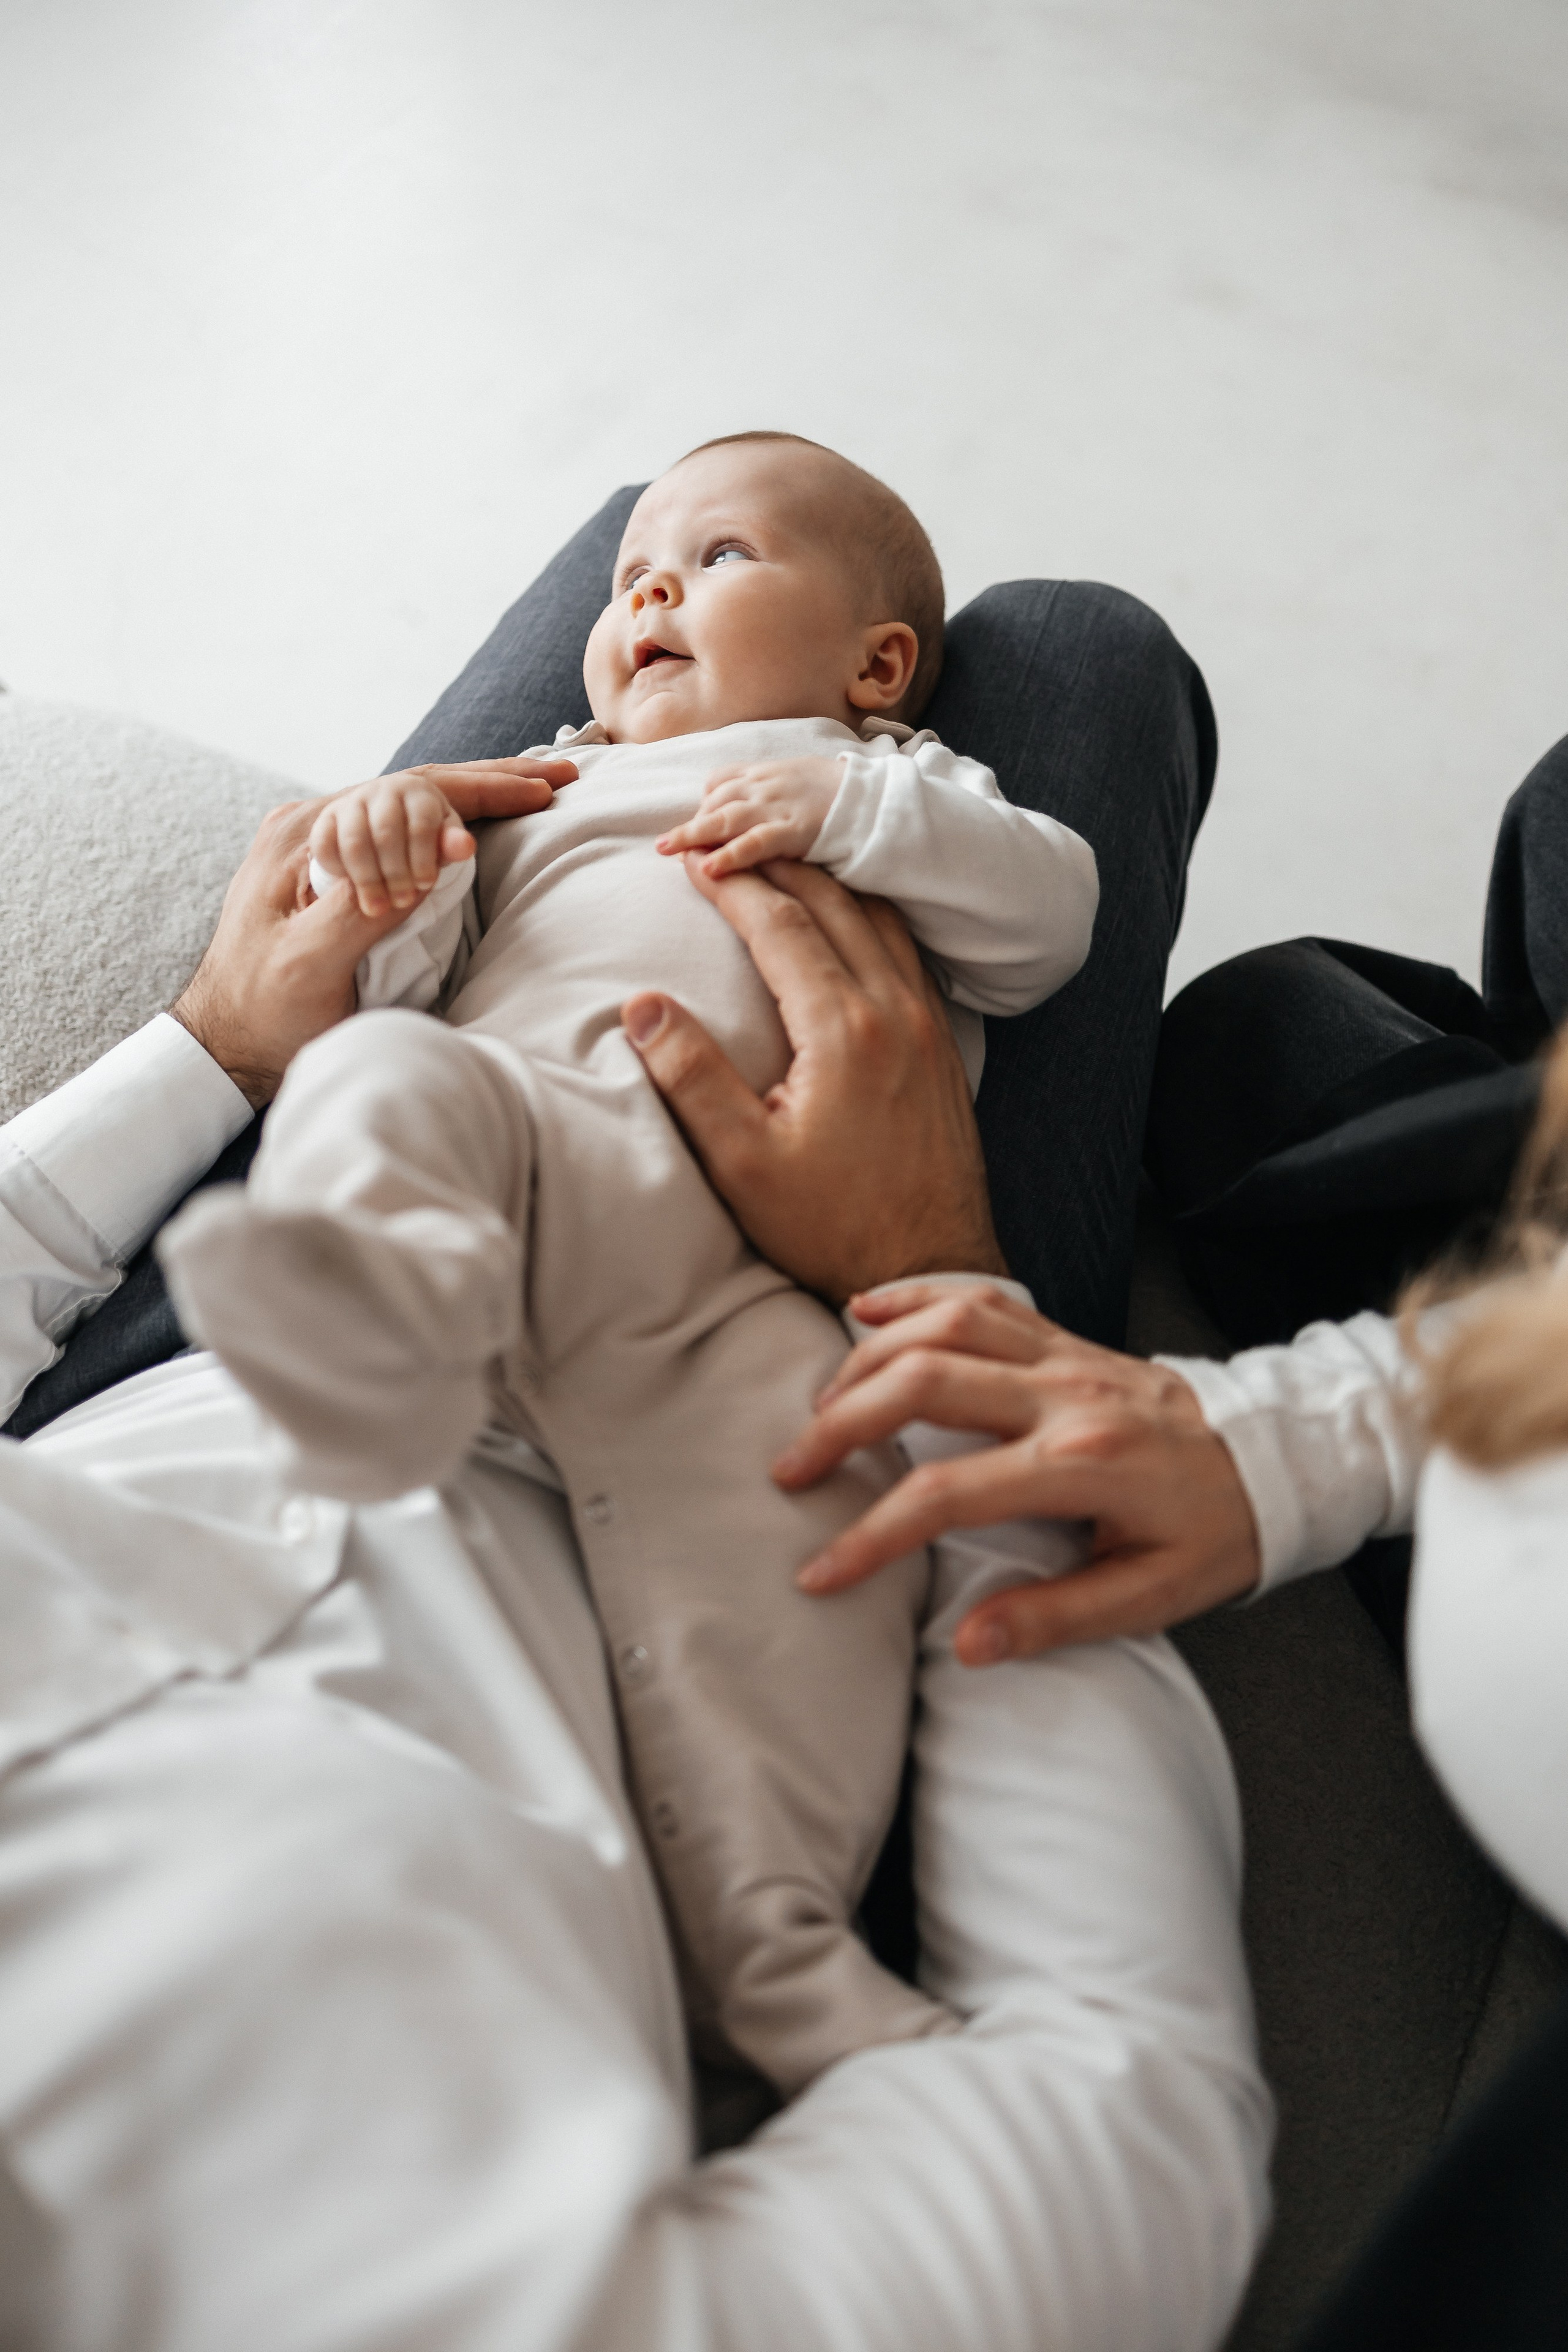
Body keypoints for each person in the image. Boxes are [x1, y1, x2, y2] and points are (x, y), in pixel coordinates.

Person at [0, 514, 1268, 2350]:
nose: (638, 620)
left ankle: (383, 1287)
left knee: (646, 597)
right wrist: (938, 1287)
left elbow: (401, 981)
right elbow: (1127, 2112)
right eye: (644, 604)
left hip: (302, 1291)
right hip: (742, 1394)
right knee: (1080, 649)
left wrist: (222, 1042)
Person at [155, 432, 1099, 2095]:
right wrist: (394, 858)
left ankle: (775, 1948)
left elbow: (1051, 923)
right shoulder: (561, 773)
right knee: (384, 1087)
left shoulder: (904, 781)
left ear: (878, 669)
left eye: (719, 560)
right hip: (522, 1164)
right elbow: (394, 991)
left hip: (746, 1294)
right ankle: (375, 1330)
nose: (648, 587)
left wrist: (861, 801)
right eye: (628, 580)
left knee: (813, 1553)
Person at [747, 776, 1568, 2349]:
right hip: (1449, 1418)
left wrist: (928, 1266)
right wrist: (1286, 1441)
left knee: (1257, 1033)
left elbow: (1117, 2115)